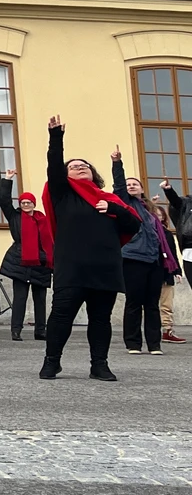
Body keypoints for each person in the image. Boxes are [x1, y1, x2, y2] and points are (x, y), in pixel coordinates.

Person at [40, 117, 140, 381]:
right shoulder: (61, 193)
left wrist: (115, 209)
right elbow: (53, 167)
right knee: (61, 316)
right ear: (66, 175)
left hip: (105, 268)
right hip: (71, 267)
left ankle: (99, 364)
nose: (80, 167)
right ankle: (52, 362)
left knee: (100, 318)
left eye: (84, 165)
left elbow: (135, 223)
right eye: (73, 166)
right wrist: (56, 137)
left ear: (94, 174)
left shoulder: (110, 199)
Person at [112, 148, 172, 356]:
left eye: (134, 184)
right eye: (128, 184)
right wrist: (117, 164)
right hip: (133, 258)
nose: (130, 186)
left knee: (152, 304)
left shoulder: (149, 209)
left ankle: (154, 344)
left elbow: (159, 236)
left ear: (141, 189)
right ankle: (133, 343)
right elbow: (119, 187)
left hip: (154, 260)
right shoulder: (125, 204)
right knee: (134, 302)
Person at [0, 174, 51, 342]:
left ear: (34, 204)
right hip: (20, 261)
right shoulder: (15, 217)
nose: (25, 205)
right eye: (23, 202)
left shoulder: (43, 219)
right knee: (20, 298)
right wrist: (7, 180)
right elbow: (4, 200)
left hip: (41, 262)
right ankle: (16, 330)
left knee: (40, 300)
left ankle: (41, 331)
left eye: (28, 202)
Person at [156, 185, 187, 344]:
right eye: (154, 213)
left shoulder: (167, 233)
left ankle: (167, 331)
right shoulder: (145, 230)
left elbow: (173, 252)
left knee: (166, 304)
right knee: (149, 304)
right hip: (151, 269)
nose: (158, 216)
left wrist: (178, 271)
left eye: (160, 214)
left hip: (166, 271)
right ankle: (151, 331)